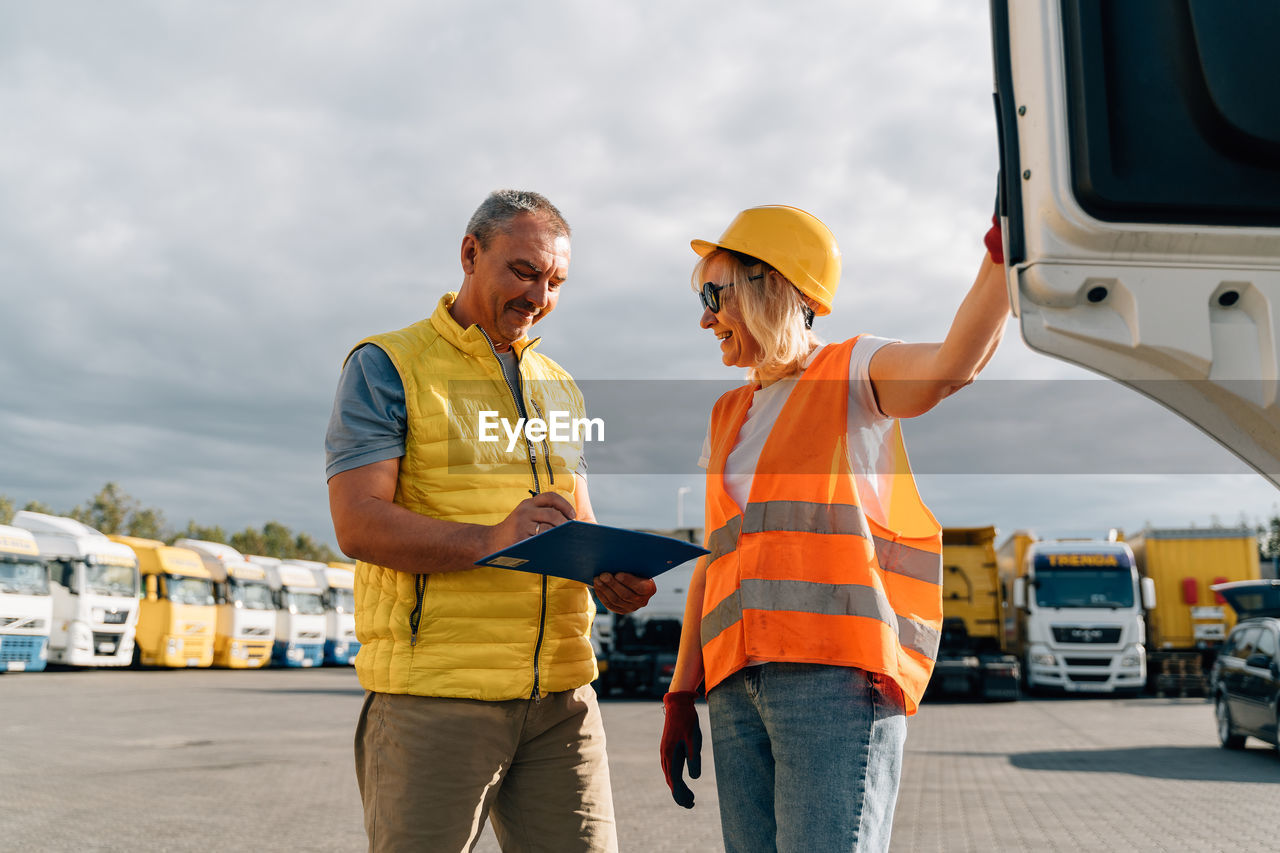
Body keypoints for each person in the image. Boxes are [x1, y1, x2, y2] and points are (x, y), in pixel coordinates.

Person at [659, 203, 1009, 852]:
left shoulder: (851, 372)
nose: (705, 317)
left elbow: (953, 365)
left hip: (833, 685)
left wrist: (1001, 255)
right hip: (736, 687)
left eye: (714, 293)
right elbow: (715, 560)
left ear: (769, 289)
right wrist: (683, 691)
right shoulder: (727, 412)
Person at [326, 189, 657, 853]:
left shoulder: (560, 385)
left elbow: (577, 519)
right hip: (438, 696)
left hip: (563, 697)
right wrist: (490, 540)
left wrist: (608, 574)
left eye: (556, 281)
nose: (539, 297)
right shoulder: (387, 366)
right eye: (524, 271)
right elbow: (358, 523)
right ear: (470, 253)